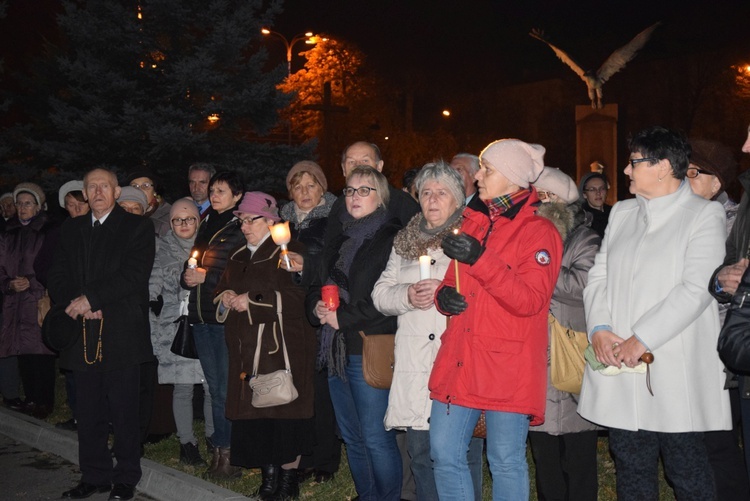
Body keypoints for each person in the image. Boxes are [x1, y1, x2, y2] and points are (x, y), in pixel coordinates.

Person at [578, 126, 730, 500]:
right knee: (630, 465)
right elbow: (598, 274)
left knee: (686, 469)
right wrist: (599, 327)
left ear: (662, 166)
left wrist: (641, 338)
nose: (626, 172)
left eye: (634, 163)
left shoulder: (703, 215)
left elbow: (695, 289)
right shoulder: (624, 213)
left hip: (673, 366)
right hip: (619, 362)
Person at [429, 139, 563, 501]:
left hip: (507, 366)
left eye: (487, 169)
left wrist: (481, 259)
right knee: (443, 454)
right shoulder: (473, 223)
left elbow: (530, 301)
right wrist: (444, 297)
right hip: (461, 357)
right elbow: (452, 281)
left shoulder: (540, 232)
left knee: (504, 460)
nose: (478, 176)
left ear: (512, 177)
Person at [372, 161, 484, 501]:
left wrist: (449, 292)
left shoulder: (473, 237)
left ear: (459, 198)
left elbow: (488, 293)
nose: (432, 200)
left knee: (462, 453)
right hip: (415, 362)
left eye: (441, 193)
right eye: (425, 193)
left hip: (459, 359)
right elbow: (380, 294)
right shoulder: (405, 241)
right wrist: (406, 295)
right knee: (420, 452)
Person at [50, 167, 155, 501]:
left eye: (104, 186)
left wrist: (93, 299)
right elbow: (58, 271)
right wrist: (77, 303)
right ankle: (94, 475)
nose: (97, 192)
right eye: (91, 187)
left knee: (124, 411)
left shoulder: (137, 226)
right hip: (80, 328)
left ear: (117, 192)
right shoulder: (71, 227)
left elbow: (134, 274)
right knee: (89, 410)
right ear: (84, 192)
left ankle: (126, 477)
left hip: (121, 331)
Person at [307, 165, 404, 501]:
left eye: (364, 190)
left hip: (367, 348)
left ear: (381, 198)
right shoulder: (341, 237)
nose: (354, 196)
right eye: (349, 190)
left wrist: (343, 318)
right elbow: (318, 285)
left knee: (376, 437)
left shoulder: (391, 236)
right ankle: (368, 495)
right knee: (353, 437)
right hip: (334, 350)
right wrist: (317, 308)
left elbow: (389, 299)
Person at [216, 191, 316, 500]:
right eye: (241, 220)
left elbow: (298, 297)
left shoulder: (288, 252)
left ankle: (288, 479)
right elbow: (219, 292)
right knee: (257, 418)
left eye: (250, 220)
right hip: (246, 350)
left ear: (271, 220)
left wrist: (253, 301)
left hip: (282, 347)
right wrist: (227, 298)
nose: (244, 226)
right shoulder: (237, 256)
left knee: (283, 413)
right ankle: (269, 478)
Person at [528, 167, 601, 501]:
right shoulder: (526, 236)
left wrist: (541, 264)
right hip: (534, 357)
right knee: (544, 456)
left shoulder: (585, 238)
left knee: (578, 454)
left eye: (545, 197)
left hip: (570, 354)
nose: (538, 204)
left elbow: (584, 286)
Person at [279, 160, 340, 484]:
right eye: (297, 186)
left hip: (317, 311)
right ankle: (300, 457)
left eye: (311, 185)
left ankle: (325, 460)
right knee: (297, 391)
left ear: (322, 188)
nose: (304, 192)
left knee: (320, 389)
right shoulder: (282, 223)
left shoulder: (333, 220)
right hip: (288, 316)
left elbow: (333, 261)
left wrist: (306, 266)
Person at [180, 170, 245, 478]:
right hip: (201, 315)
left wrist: (210, 277)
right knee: (213, 387)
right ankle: (219, 452)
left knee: (225, 388)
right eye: (213, 190)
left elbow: (240, 270)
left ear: (237, 196)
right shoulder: (207, 223)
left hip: (223, 317)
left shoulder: (240, 226)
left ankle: (228, 453)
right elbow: (194, 261)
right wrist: (188, 274)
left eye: (222, 190)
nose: (215, 194)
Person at [148, 198, 213, 466]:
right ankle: (187, 443)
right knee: (183, 387)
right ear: (171, 223)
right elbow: (153, 284)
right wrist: (152, 307)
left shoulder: (210, 246)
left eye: (189, 219)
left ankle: (214, 437)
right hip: (177, 328)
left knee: (212, 386)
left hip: (207, 323)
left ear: (197, 221)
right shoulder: (162, 249)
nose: (183, 224)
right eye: (177, 219)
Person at [709, 124, 750, 487]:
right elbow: (721, 278)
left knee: (722, 441)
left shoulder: (732, 217)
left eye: (692, 172)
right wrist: (720, 282)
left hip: (727, 344)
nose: (745, 144)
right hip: (725, 346)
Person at [0, 182, 57, 419]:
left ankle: (44, 401)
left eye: (27, 203)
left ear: (38, 206)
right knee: (22, 351)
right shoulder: (7, 233)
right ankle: (30, 398)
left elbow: (51, 265)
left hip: (37, 299)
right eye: (19, 203)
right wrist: (9, 284)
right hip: (14, 303)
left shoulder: (48, 230)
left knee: (40, 353)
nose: (22, 208)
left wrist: (30, 282)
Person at [54, 180, 90, 432]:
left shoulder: (97, 229)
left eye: (79, 205)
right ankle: (78, 415)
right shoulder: (66, 229)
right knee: (73, 363)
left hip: (94, 305)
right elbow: (55, 267)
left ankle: (95, 417)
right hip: (70, 305)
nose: (75, 210)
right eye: (70, 206)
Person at [126, 169, 172, 237]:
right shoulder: (122, 214)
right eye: (134, 186)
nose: (140, 190)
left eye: (146, 185)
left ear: (154, 191)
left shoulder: (170, 216)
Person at [579, 172, 611, 238]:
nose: (598, 193)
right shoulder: (581, 219)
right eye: (592, 189)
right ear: (584, 194)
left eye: (602, 188)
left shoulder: (615, 213)